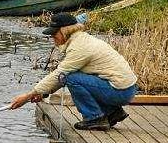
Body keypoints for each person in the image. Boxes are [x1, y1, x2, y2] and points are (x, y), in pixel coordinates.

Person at [10, 12, 138, 131]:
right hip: (123, 89)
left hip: (121, 91)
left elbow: (60, 75)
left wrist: (27, 96)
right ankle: (113, 113)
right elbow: (61, 78)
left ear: (64, 31)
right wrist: (43, 93)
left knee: (71, 78)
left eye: (54, 34)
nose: (52, 38)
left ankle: (95, 118)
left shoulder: (79, 48)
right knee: (71, 77)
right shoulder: (80, 40)